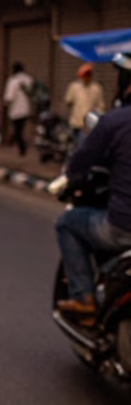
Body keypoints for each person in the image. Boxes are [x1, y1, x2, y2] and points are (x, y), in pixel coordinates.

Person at [56, 73, 131, 323]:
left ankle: (83, 298)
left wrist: (68, 177)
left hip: (122, 227)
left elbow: (81, 161)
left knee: (66, 223)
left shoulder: (116, 121)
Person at [64, 63, 105, 144]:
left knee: (82, 144)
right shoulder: (74, 87)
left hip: (89, 125)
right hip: (76, 122)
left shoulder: (96, 88)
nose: (86, 77)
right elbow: (68, 101)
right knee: (75, 144)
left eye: (88, 75)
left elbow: (100, 106)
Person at [3, 61, 34, 157]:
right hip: (26, 110)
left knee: (17, 131)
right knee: (20, 129)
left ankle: (22, 148)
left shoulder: (13, 80)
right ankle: (18, 146)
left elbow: (9, 97)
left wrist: (5, 105)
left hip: (15, 110)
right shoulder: (29, 80)